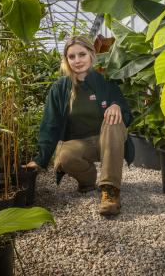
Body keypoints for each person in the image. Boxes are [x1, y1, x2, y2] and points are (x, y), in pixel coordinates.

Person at [25, 35, 132, 216]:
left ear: (91, 54)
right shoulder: (60, 88)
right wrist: (40, 159)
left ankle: (110, 190)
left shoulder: (106, 83)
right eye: (71, 56)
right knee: (64, 156)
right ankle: (88, 180)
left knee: (113, 120)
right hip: (80, 145)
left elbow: (127, 116)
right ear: (66, 60)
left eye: (81, 54)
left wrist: (117, 106)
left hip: (107, 142)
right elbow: (50, 124)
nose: (77, 60)